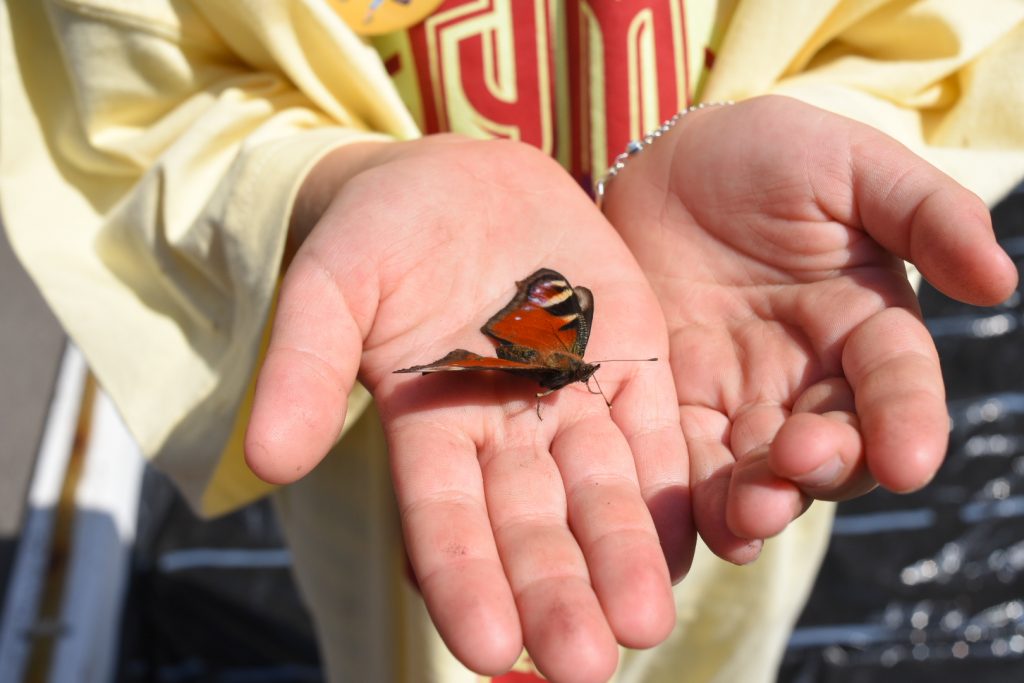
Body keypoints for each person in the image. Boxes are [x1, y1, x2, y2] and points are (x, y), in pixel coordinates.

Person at [3, 1, 1023, 681]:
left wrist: (826, 127)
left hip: (721, 396)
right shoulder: (543, 345)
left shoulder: (592, 348)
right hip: (388, 427)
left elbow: (953, 44)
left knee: (691, 625)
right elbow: (128, 91)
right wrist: (329, 182)